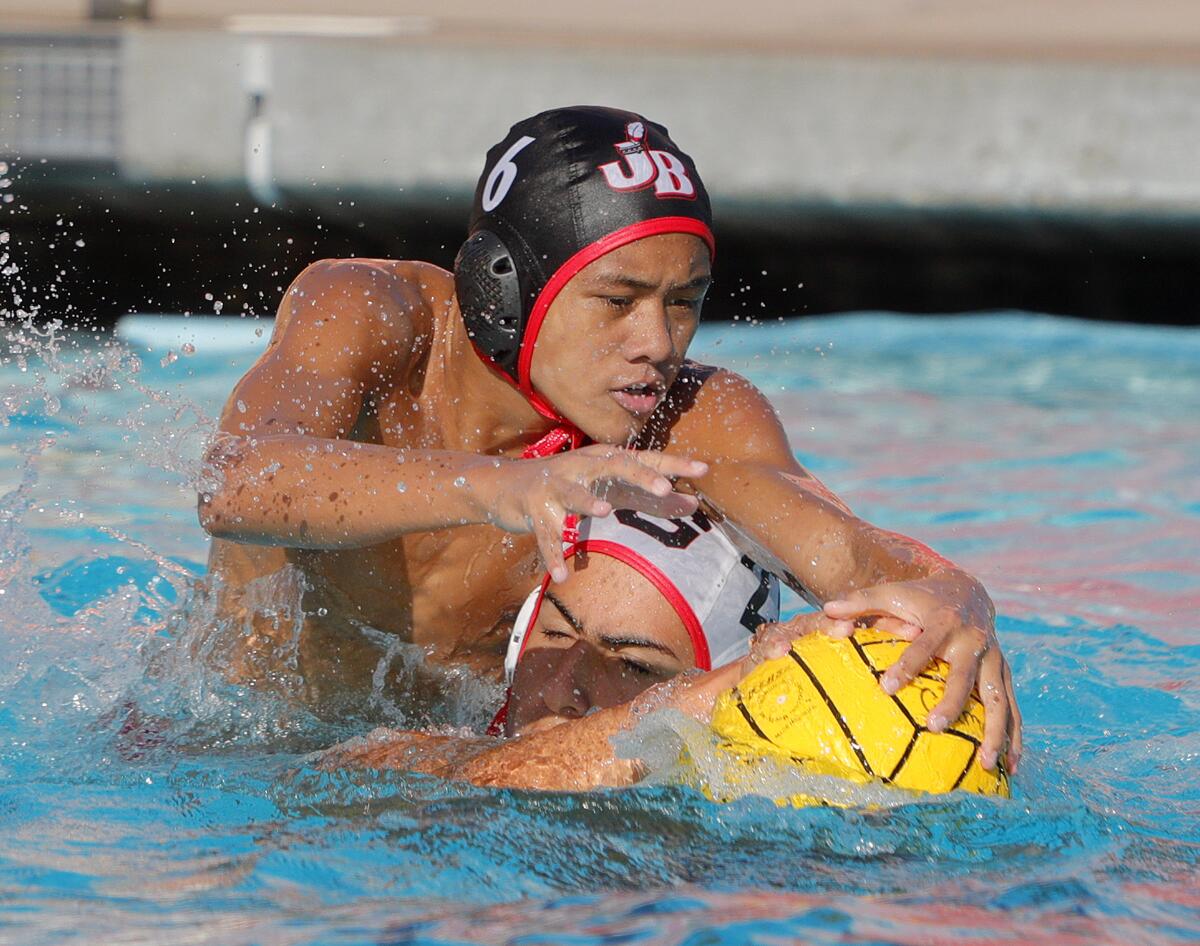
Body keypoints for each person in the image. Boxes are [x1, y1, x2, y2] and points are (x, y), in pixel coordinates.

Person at [199, 106, 1020, 772]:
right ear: (504, 289)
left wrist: (950, 591)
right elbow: (235, 481)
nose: (660, 343)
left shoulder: (696, 416)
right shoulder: (374, 317)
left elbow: (840, 549)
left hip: (484, 775)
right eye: (618, 300)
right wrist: (504, 487)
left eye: (685, 301)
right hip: (241, 759)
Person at [325, 509, 797, 790]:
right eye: (555, 634)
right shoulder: (425, 746)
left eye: (631, 666)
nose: (558, 690)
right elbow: (336, 774)